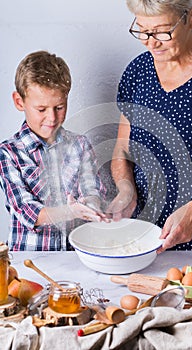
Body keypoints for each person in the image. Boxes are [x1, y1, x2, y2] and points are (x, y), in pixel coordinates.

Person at [108, 0, 192, 252]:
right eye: (142, 30)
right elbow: (123, 150)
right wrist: (126, 189)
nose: (151, 42)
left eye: (162, 31)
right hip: (144, 239)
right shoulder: (138, 71)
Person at [0, 50, 109, 251]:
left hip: (75, 258)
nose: (52, 118)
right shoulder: (9, 153)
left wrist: (90, 204)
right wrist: (69, 211)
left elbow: (93, 190)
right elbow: (27, 211)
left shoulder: (80, 145)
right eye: (41, 110)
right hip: (31, 261)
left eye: (59, 107)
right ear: (19, 101)